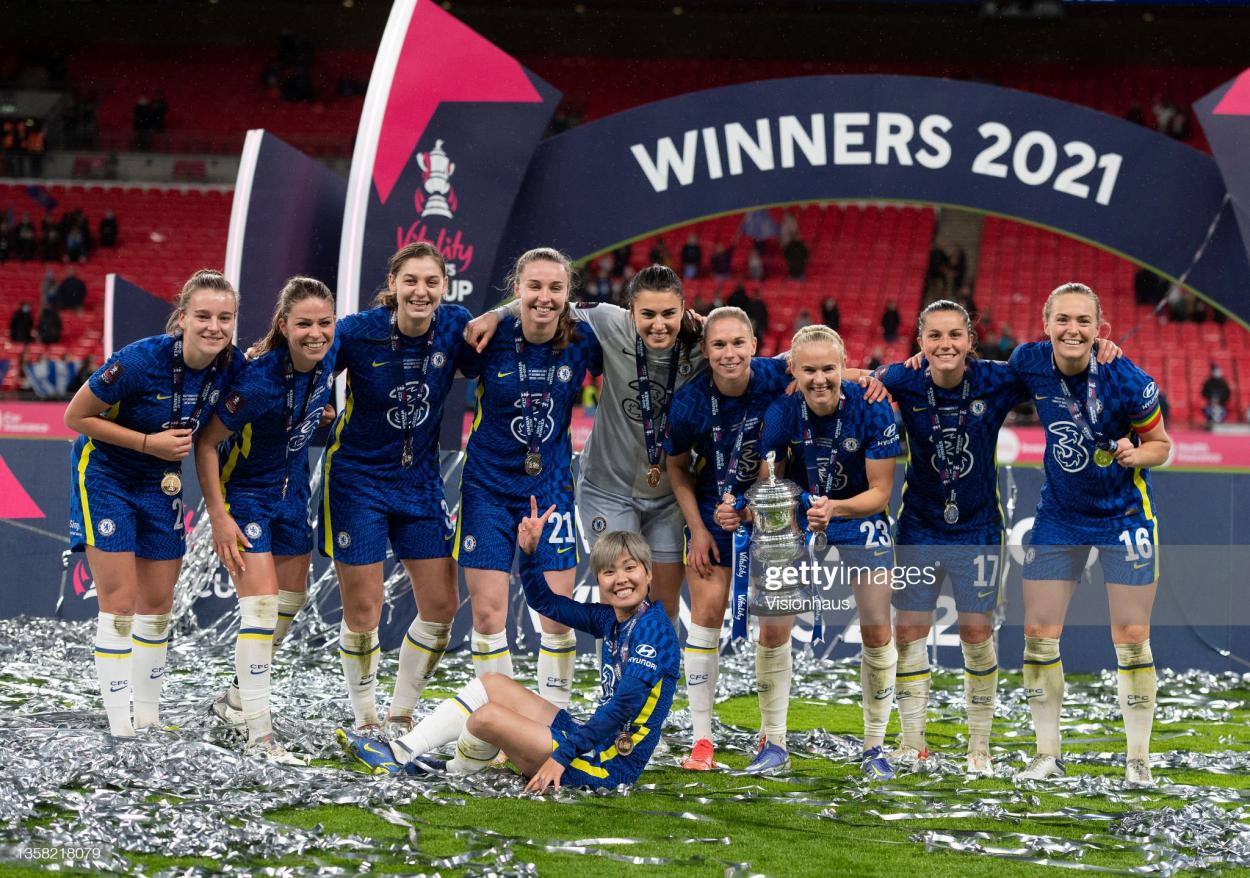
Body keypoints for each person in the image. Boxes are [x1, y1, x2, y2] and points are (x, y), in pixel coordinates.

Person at [876, 301, 1122, 777]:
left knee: (975, 634)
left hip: (979, 529)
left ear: (970, 340)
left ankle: (979, 749)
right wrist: (789, 363)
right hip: (919, 527)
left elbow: (1061, 368)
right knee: (907, 632)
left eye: (954, 335)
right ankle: (912, 743)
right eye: (934, 336)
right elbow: (850, 378)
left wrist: (1100, 349)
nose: (944, 345)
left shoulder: (997, 379)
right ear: (920, 342)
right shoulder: (903, 380)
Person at [338, 512, 680, 791]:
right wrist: (529, 555)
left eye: (630, 568)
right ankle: (402, 752)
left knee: (486, 718)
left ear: (649, 574)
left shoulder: (653, 630)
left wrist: (562, 756)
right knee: (493, 683)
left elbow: (623, 708)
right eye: (609, 572)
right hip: (592, 742)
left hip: (609, 765)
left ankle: (446, 772)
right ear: (600, 580)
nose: (620, 579)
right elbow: (545, 602)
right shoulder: (614, 618)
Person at [466, 265, 704, 629]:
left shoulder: (702, 339)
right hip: (609, 489)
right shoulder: (608, 321)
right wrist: (497, 313)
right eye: (648, 314)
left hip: (670, 495)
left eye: (669, 313)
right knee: (620, 601)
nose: (659, 324)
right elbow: (548, 302)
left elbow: (746, 352)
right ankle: (615, 687)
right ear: (629, 310)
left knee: (664, 608)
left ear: (684, 309)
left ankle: (657, 686)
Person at [63, 269, 241, 737]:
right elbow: (75, 416)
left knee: (158, 606)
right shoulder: (139, 361)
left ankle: (149, 718)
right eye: (203, 315)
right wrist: (148, 443)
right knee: (120, 605)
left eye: (225, 317)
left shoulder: (231, 365)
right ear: (182, 318)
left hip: (160, 483)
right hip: (107, 476)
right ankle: (122, 729)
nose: (214, 327)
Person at [1008, 282, 1170, 786]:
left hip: (1123, 516)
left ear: (1099, 328)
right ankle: (1047, 755)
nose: (1072, 329)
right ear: (1046, 324)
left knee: (1132, 637)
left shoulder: (1127, 378)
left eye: (1083, 321)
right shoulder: (1027, 361)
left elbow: (1161, 445)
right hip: (1059, 516)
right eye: (1063, 320)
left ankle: (1138, 762)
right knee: (1038, 634)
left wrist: (1135, 454)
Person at [320, 242, 479, 732]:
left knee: (441, 605)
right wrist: (320, 399)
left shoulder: (455, 324)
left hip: (419, 482)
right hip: (356, 480)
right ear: (393, 284)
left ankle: (402, 712)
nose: (420, 291)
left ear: (444, 288)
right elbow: (310, 361)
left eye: (431, 282)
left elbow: (501, 340)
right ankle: (366, 719)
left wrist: (509, 310)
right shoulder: (356, 330)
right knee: (364, 607)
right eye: (410, 280)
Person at [193, 277, 339, 763]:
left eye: (324, 323)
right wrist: (219, 516)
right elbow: (206, 443)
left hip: (293, 496)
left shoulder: (326, 364)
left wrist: (312, 415)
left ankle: (235, 701)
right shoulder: (256, 381)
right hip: (247, 500)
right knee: (259, 611)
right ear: (283, 326)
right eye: (304, 324)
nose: (315, 333)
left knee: (289, 602)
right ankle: (261, 736)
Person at [455, 247, 602, 710]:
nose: (544, 297)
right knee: (487, 615)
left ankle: (551, 724)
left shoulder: (584, 340)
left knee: (556, 619)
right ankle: (501, 722)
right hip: (487, 489)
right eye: (534, 286)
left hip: (551, 489)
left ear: (567, 295)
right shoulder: (488, 338)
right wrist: (497, 315)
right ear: (517, 289)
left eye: (555, 288)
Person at [756, 325, 901, 778]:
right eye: (809, 370)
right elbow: (769, 480)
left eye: (829, 369)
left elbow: (880, 493)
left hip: (857, 515)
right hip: (799, 513)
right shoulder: (781, 411)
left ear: (844, 367)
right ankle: (772, 741)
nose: (819, 379)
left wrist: (834, 508)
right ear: (794, 372)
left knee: (877, 629)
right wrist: (793, 508)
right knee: (774, 629)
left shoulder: (874, 408)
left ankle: (875, 746)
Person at [663, 306, 790, 771]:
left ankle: (772, 739)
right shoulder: (689, 402)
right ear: (705, 349)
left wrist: (878, 378)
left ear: (755, 345)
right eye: (719, 344)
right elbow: (676, 468)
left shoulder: (778, 374)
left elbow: (833, 366)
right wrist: (697, 529)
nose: (730, 353)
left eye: (739, 343)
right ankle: (701, 740)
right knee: (706, 617)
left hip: (772, 512)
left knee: (775, 624)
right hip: (713, 517)